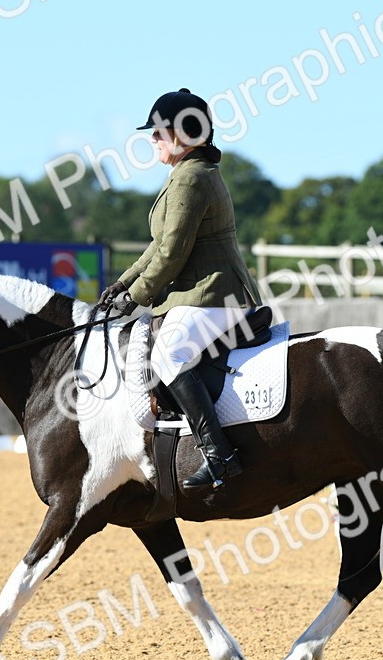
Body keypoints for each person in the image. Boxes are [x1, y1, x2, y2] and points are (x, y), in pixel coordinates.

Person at [100, 88, 263, 492]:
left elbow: (172, 254)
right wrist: (124, 282)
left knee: (169, 354)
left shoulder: (192, 178)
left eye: (159, 131)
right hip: (202, 293)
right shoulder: (186, 173)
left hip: (215, 294)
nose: (153, 139)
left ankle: (219, 454)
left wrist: (136, 297)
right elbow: (158, 245)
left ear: (184, 133)